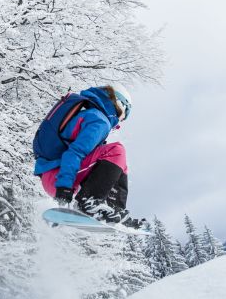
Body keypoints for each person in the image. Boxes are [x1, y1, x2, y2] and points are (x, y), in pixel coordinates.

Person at [33, 84, 145, 228]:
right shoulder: (99, 120)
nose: (121, 121)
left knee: (119, 163)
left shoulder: (91, 114)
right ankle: (89, 202)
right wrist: (64, 186)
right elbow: (75, 152)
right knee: (116, 150)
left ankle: (114, 211)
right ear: (120, 104)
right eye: (125, 114)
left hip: (55, 176)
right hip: (59, 178)